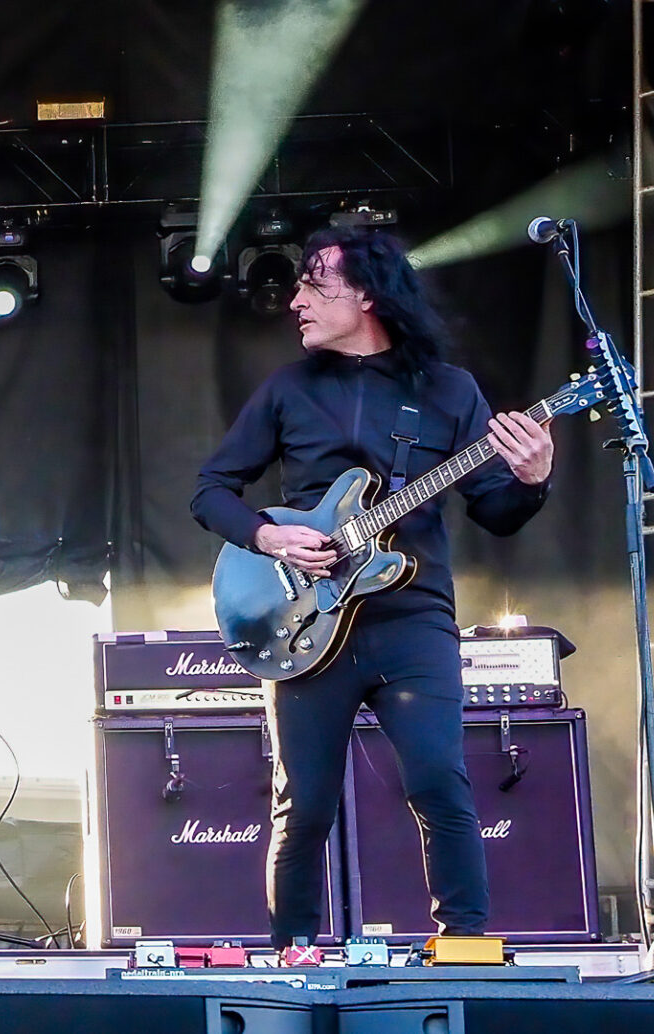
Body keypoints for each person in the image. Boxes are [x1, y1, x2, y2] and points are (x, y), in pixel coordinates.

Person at [190, 226, 556, 957]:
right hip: (305, 620)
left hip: (411, 617)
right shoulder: (289, 389)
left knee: (439, 781)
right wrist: (269, 537)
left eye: (314, 286)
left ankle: (464, 946)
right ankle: (295, 949)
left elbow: (495, 511)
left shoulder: (449, 391)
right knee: (304, 803)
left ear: (366, 294)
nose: (295, 301)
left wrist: (532, 479)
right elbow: (211, 490)